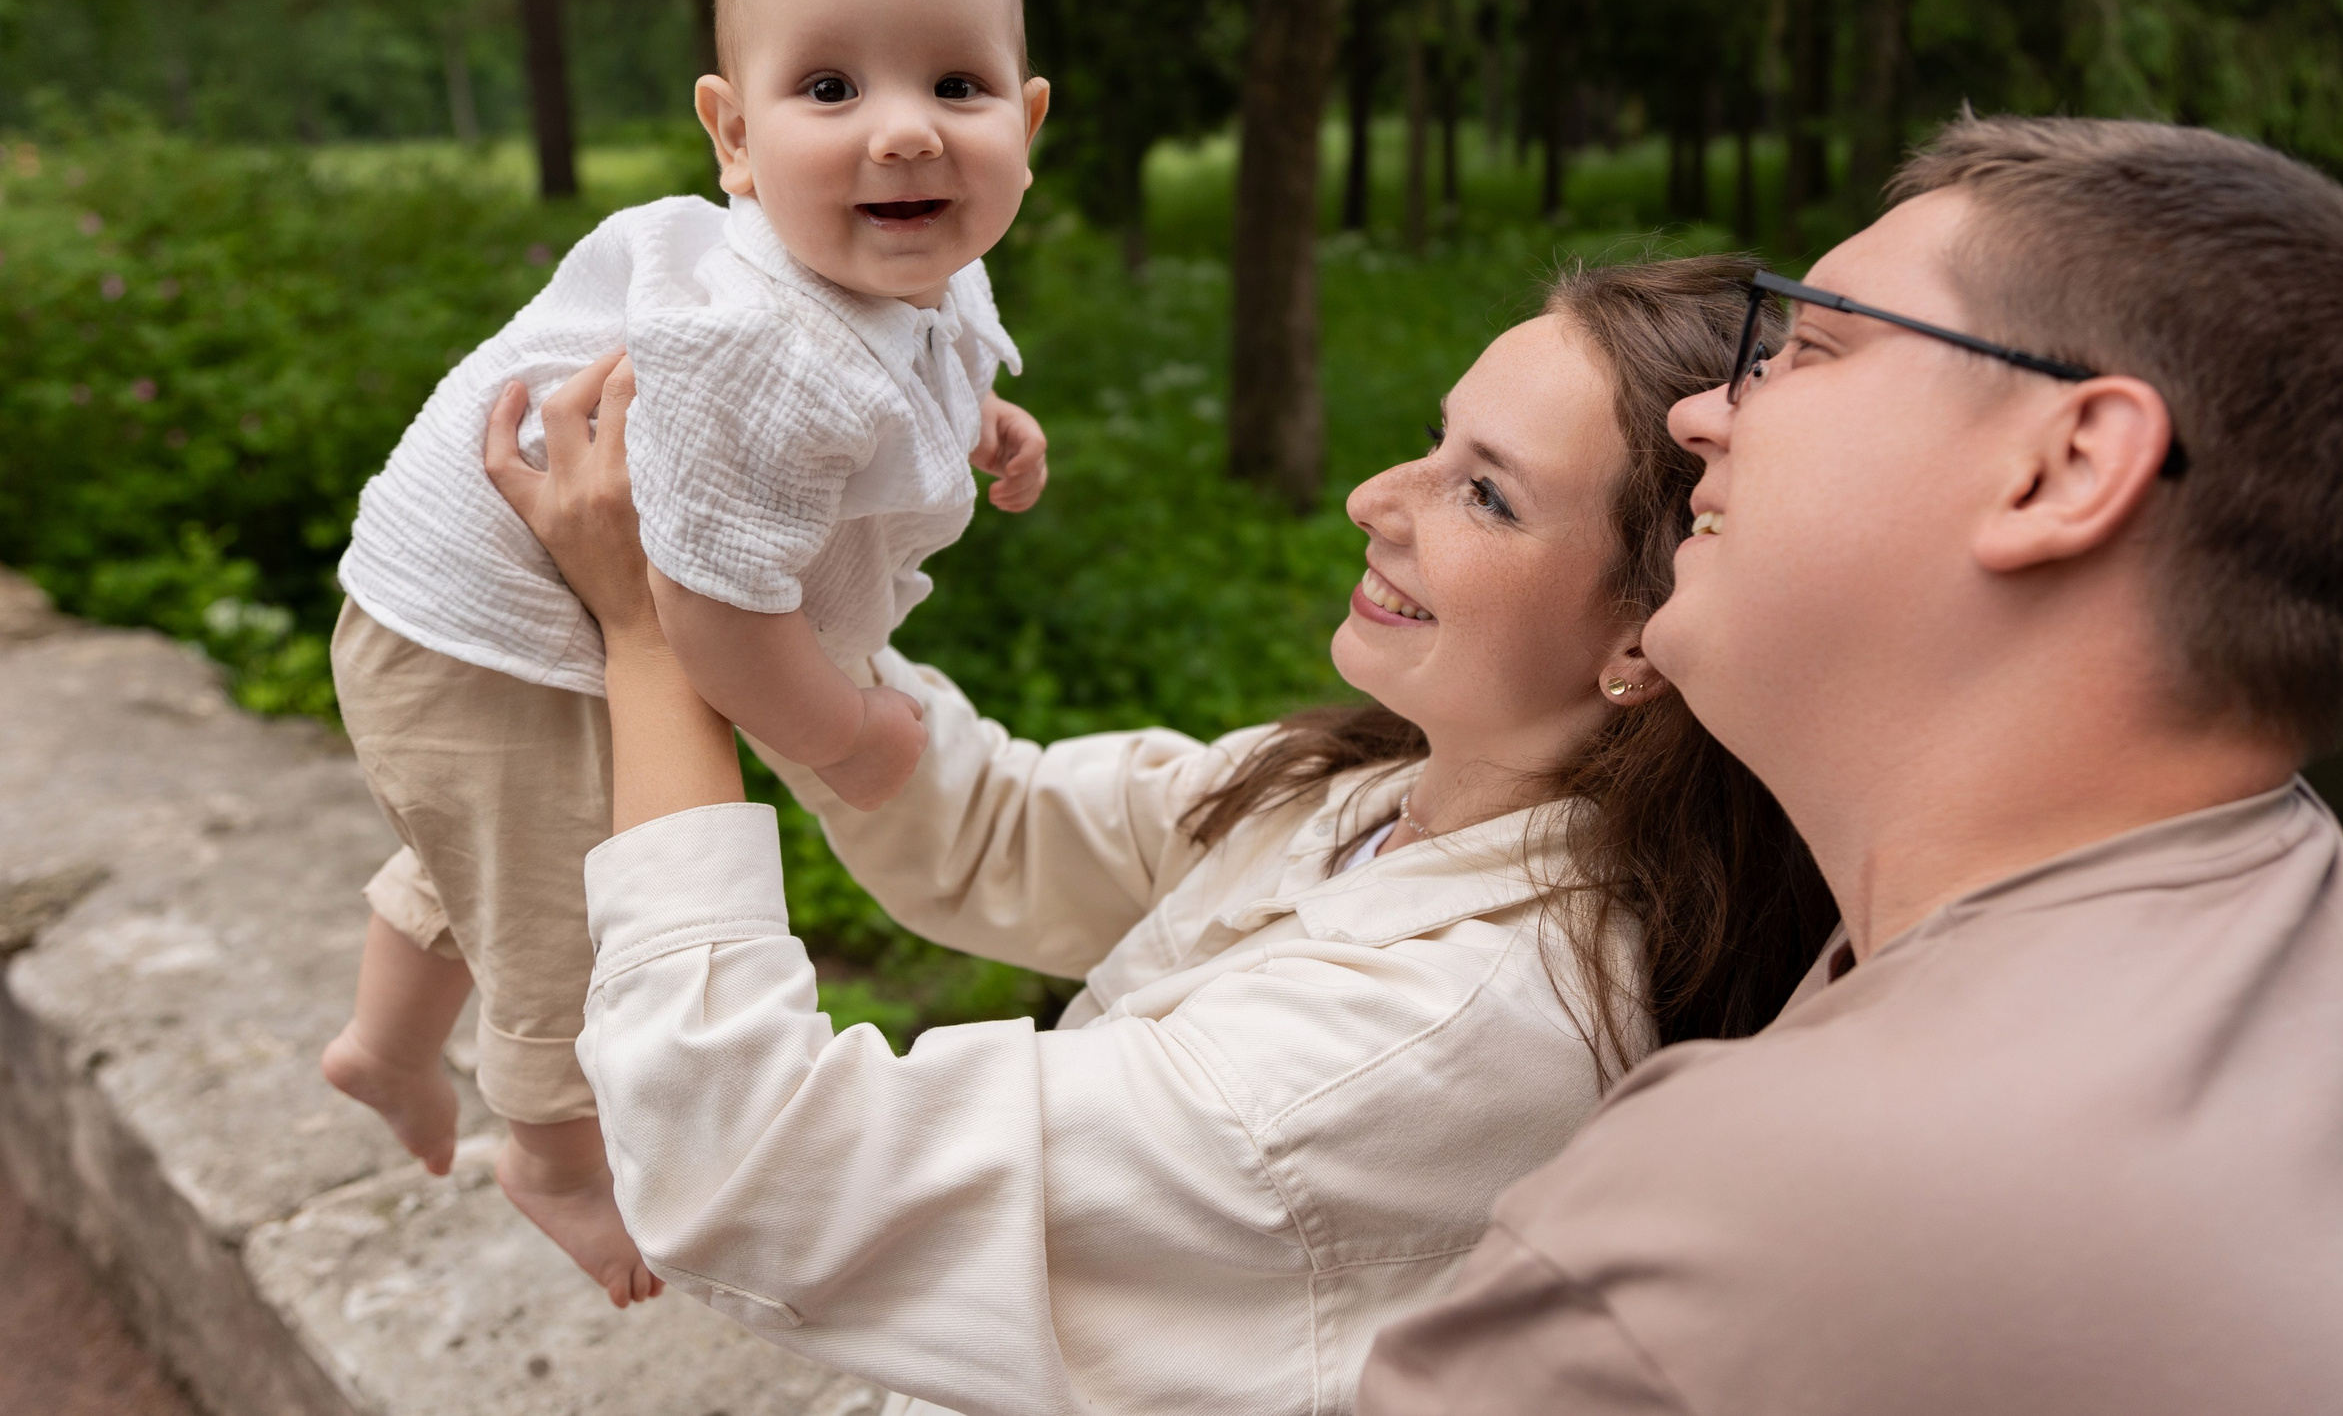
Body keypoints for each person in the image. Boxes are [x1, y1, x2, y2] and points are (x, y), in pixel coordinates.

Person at [483, 257, 1836, 1415]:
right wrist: (780, 533)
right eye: (1436, 440)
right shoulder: (1368, 791)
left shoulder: (1434, 1040)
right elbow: (997, 828)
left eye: (1485, 494)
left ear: (1647, 637)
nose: (1377, 497)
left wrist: (657, 645)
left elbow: (749, 1164)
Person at [1357, 116, 2343, 1415]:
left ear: (2067, 467)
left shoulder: (1764, 1206)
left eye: (1808, 345)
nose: (1704, 412)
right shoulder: (2284, 896)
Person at [320, 0, 1053, 1306]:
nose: (904, 133)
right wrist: (845, 735)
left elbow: (922, 359)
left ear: (1025, 123)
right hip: (481, 634)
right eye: (831, 89)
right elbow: (708, 622)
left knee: (494, 834)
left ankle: (381, 1049)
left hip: (490, 629)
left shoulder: (908, 269)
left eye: (957, 86)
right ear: (733, 138)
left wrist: (985, 420)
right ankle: (551, 1157)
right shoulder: (756, 346)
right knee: (559, 899)